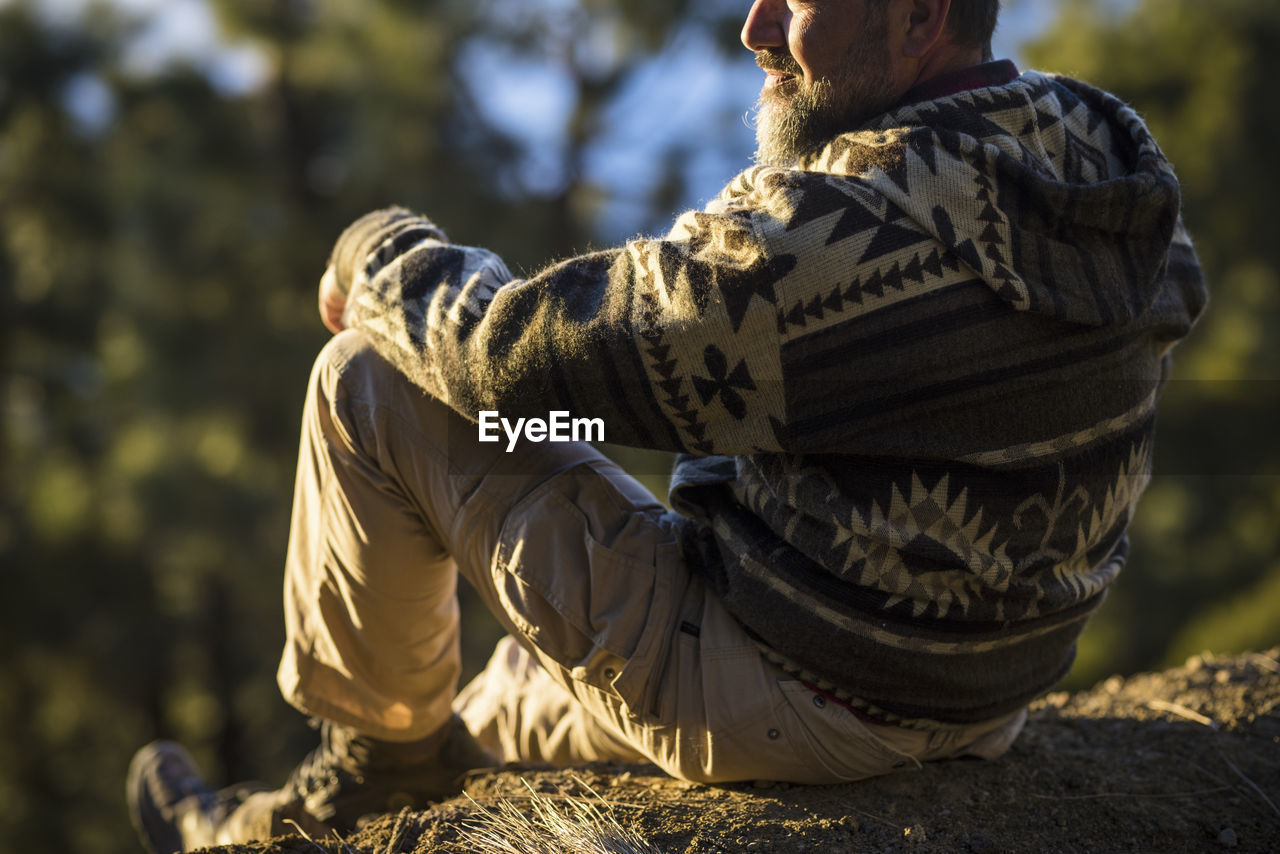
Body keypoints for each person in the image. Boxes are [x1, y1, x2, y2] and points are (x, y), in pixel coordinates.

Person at [128, 0, 1207, 850]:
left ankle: (367, 768)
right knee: (503, 699)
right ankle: (282, 805)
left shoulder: (843, 231)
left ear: (918, 15)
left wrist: (378, 253)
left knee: (370, 378)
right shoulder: (1103, 162)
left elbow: (509, 357)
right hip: (979, 684)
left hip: (794, 686)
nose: (752, 29)